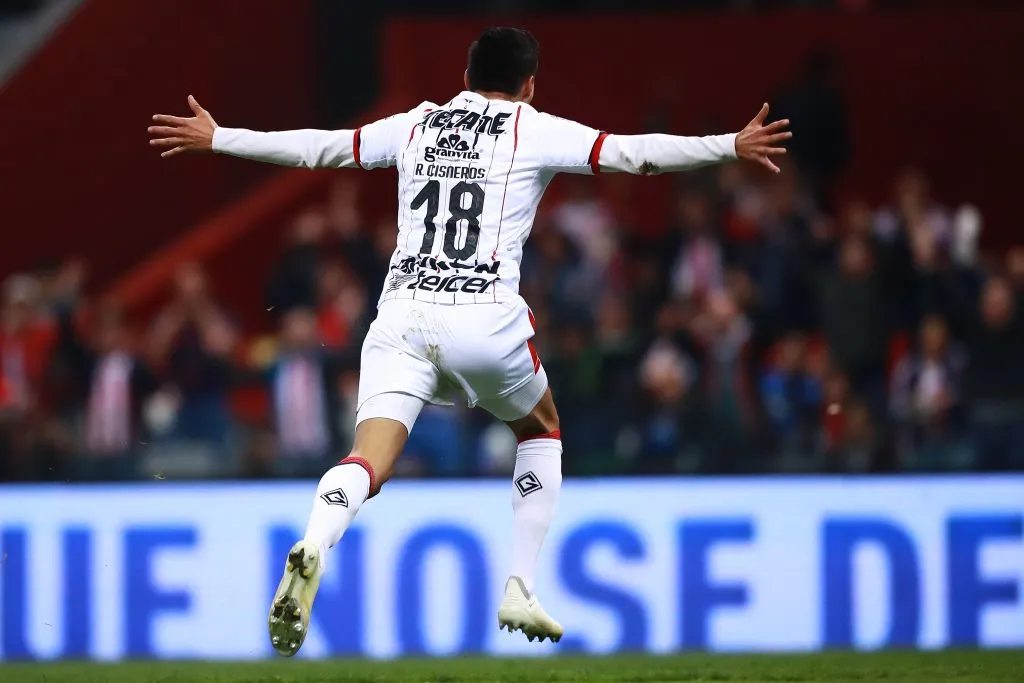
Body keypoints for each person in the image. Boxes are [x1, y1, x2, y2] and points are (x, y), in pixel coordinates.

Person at [148, 26, 790, 656]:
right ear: (529, 85)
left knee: (368, 459)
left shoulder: (418, 125)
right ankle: (520, 585)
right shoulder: (533, 128)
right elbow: (633, 154)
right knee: (540, 430)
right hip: (484, 319)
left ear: (464, 77)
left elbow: (322, 148)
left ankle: (316, 539)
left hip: (402, 315)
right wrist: (729, 145)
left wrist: (220, 136)